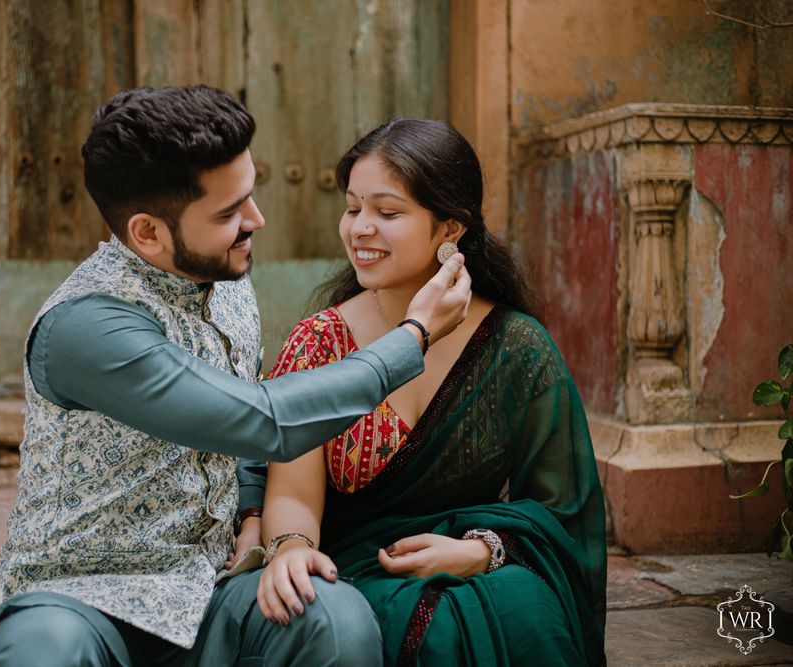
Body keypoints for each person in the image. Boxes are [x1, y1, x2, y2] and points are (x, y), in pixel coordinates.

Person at [0, 87, 471, 667]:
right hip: (81, 600)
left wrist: (252, 513)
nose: (256, 221)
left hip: (213, 588)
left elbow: (235, 419)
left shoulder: (231, 283)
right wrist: (412, 337)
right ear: (147, 233)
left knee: (335, 622)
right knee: (42, 656)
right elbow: (258, 418)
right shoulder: (87, 328)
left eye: (250, 195)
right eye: (227, 213)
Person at [257, 118, 607, 666]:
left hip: (479, 562)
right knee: (430, 627)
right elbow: (294, 493)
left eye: (387, 212)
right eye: (353, 208)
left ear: (450, 229)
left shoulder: (515, 346)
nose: (360, 229)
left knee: (528, 609)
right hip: (357, 568)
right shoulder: (319, 342)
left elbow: (562, 508)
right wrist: (291, 549)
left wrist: (479, 551)